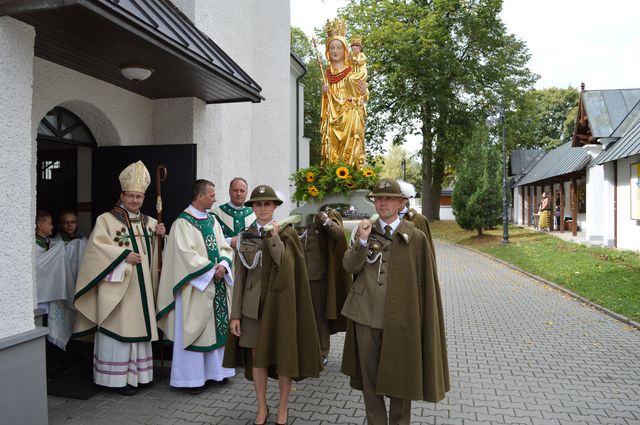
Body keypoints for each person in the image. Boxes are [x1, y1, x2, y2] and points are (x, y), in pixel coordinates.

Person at [341, 178, 450, 425]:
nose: (382, 203)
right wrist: (362, 241)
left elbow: (426, 283)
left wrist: (421, 319)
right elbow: (349, 266)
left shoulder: (416, 237)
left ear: (401, 202)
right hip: (366, 318)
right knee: (369, 383)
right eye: (378, 198)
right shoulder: (365, 230)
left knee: (401, 381)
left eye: (388, 198)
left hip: (402, 321)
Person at [223, 185, 321, 425]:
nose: (263, 208)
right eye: (258, 204)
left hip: (280, 307)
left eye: (267, 204)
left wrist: (274, 237)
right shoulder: (245, 235)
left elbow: (286, 267)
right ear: (252, 207)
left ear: (275, 207)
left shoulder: (287, 233)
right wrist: (235, 315)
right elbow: (240, 276)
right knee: (258, 359)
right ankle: (261, 406)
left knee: (283, 357)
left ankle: (283, 408)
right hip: (251, 309)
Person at [73, 161, 165, 396]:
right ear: (122, 195)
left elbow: (158, 254)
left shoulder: (150, 222)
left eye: (139, 197)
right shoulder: (106, 220)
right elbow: (95, 251)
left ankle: (141, 376)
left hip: (142, 288)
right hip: (119, 288)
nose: (135, 201)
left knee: (138, 329)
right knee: (120, 328)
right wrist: (123, 256)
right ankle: (114, 380)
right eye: (131, 196)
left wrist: (162, 236)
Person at [156, 179, 235, 394]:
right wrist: (211, 269)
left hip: (215, 285)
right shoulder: (182, 222)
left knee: (215, 331)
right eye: (212, 195)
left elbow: (224, 247)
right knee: (195, 331)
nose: (215, 198)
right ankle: (191, 380)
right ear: (200, 196)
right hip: (195, 288)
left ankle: (217, 373)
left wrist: (225, 264)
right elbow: (183, 256)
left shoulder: (212, 220)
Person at [298, 207, 351, 365]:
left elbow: (339, 234)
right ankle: (306, 349)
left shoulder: (327, 212)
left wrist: (325, 218)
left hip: (318, 276)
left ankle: (322, 351)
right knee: (304, 316)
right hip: (300, 276)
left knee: (320, 317)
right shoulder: (301, 215)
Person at [320, 17, 368, 169]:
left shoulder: (352, 70)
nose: (335, 51)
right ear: (328, 51)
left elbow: (363, 94)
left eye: (338, 47)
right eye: (332, 47)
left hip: (349, 113)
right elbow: (324, 101)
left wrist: (363, 93)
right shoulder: (326, 73)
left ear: (345, 50)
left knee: (351, 143)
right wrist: (324, 93)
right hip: (331, 114)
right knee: (332, 146)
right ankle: (331, 173)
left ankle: (350, 171)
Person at [35, 210, 75, 350]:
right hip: (41, 296)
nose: (52, 227)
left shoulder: (53, 244)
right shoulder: (32, 246)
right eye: (50, 224)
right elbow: (38, 268)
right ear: (39, 225)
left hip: (53, 294)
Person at [212, 177, 256, 249]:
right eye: (235, 190)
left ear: (247, 193)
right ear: (229, 191)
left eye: (242, 191)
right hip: (225, 258)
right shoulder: (216, 214)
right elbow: (211, 239)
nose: (238, 194)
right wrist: (229, 241)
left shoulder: (254, 214)